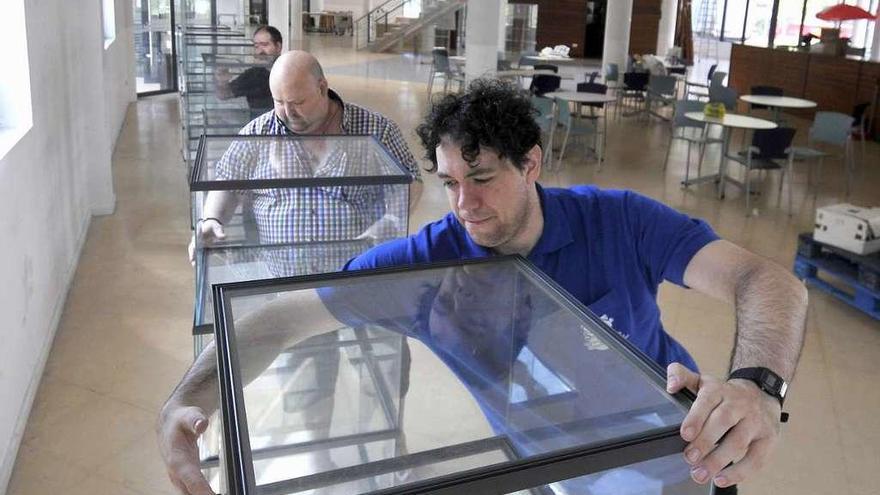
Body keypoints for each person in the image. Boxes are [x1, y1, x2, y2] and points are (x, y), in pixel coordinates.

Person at [160, 79, 807, 494]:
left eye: (482, 177)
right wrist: (185, 404)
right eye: (448, 182)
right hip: (552, 473)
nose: (463, 204)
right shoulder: (427, 262)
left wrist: (757, 385)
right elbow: (283, 316)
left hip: (673, 453)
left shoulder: (619, 220)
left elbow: (767, 281)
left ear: (532, 163)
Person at [191, 49, 424, 265]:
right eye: (279, 102)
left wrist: (391, 220)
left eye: (297, 102)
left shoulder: (377, 129)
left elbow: (410, 182)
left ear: (322, 88)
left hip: (354, 274)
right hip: (279, 278)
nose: (288, 112)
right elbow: (228, 182)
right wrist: (212, 219)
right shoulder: (257, 133)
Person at [214, 25, 283, 116]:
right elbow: (223, 94)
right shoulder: (253, 75)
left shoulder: (291, 71)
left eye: (265, 45)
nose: (259, 51)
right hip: (261, 128)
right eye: (256, 46)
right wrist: (222, 81)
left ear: (278, 46)